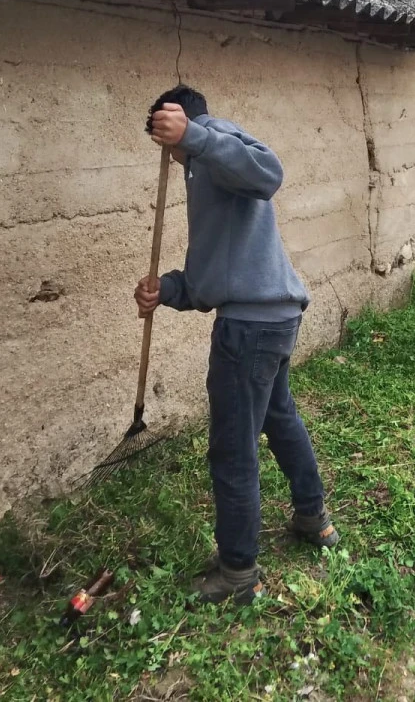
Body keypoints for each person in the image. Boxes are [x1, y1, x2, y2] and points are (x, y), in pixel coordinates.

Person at [136, 85, 339, 605]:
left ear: (180, 122)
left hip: (249, 329)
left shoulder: (216, 141)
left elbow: (269, 174)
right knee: (279, 417)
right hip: (271, 317)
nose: (171, 153)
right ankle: (313, 517)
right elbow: (217, 265)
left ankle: (238, 571)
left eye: (168, 140)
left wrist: (195, 137)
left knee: (233, 448)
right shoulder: (202, 167)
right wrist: (172, 290)